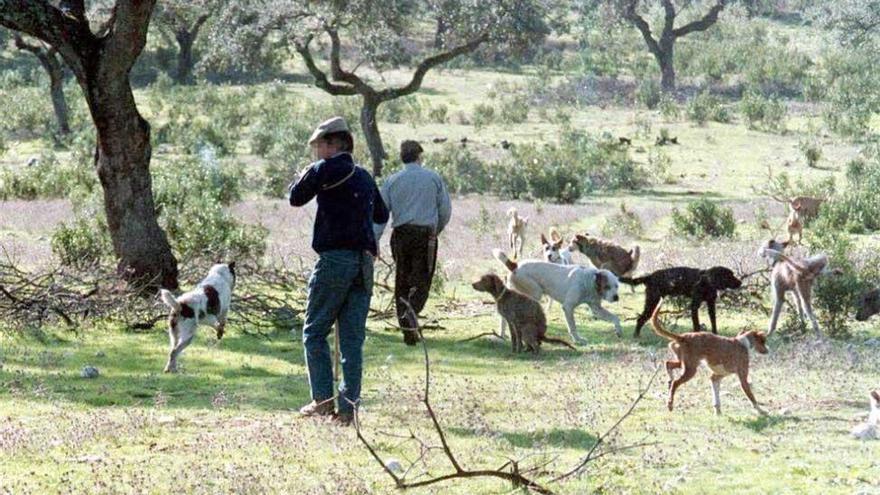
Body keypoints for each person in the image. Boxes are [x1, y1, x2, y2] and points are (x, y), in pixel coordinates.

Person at [288, 116, 388, 425]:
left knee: (315, 332)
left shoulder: (324, 169)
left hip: (334, 261)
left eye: (318, 145)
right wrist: (367, 240)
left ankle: (321, 400)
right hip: (363, 263)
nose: (316, 151)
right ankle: (347, 410)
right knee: (351, 340)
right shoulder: (364, 176)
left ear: (334, 144)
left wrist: (307, 173)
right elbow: (382, 214)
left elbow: (295, 197)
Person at [374, 140, 452, 345]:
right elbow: (445, 210)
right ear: (419, 156)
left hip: (400, 234)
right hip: (425, 235)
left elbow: (380, 214)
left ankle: (407, 329)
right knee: (422, 279)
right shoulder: (433, 178)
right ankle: (412, 311)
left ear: (402, 157)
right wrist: (437, 230)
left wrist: (374, 240)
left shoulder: (392, 180)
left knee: (402, 279)